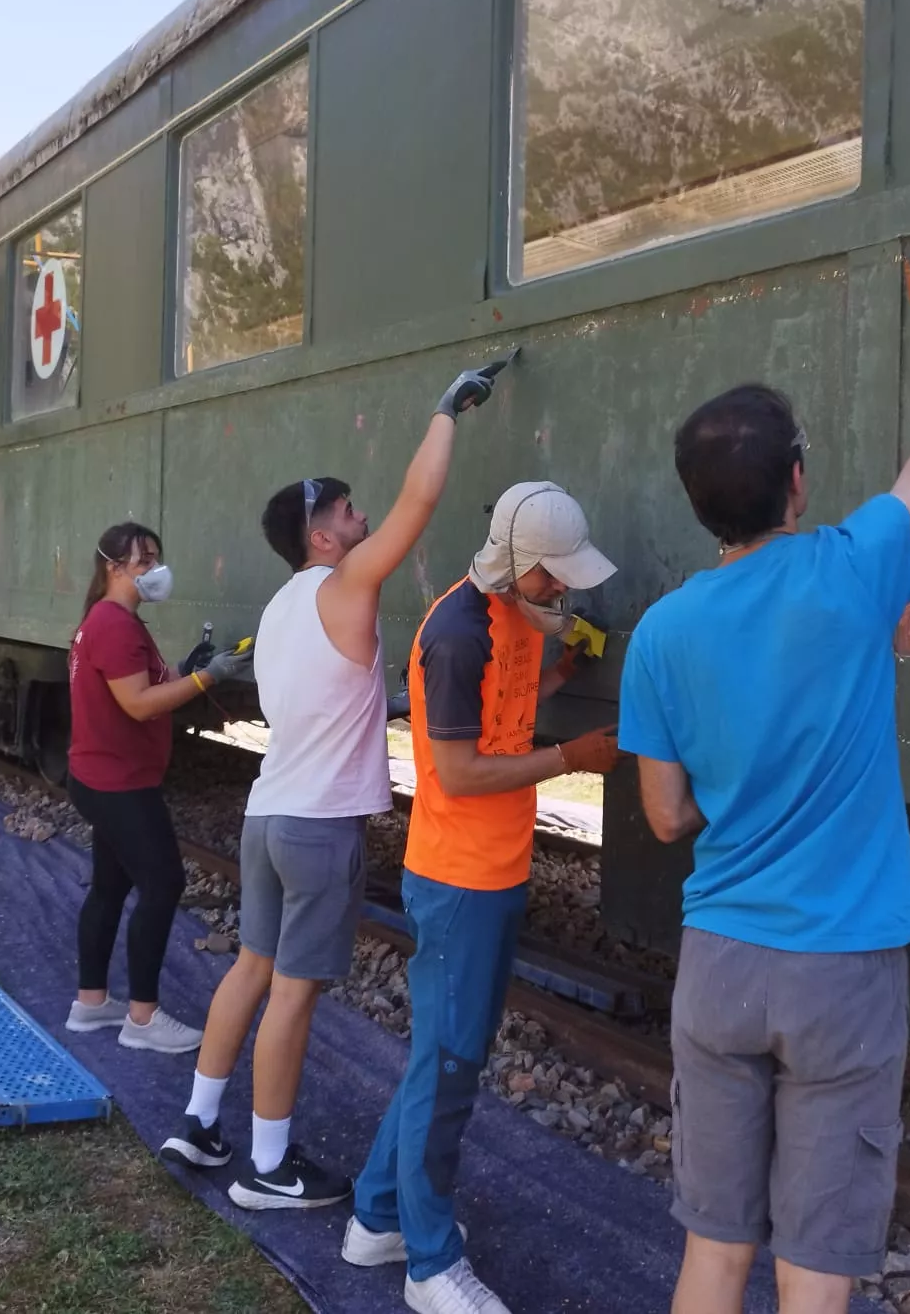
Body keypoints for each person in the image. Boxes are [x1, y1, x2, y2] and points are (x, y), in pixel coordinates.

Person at [618, 233, 910, 1314]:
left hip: (720, 964)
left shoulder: (661, 632)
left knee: (713, 1252)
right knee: (814, 1267)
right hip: (842, 968)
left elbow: (666, 816)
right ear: (798, 482)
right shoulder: (857, 564)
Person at [161, 355, 514, 1216]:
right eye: (347, 510)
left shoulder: (286, 607)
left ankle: (201, 1123)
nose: (361, 519)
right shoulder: (349, 583)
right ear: (323, 536)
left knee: (252, 966)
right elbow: (419, 507)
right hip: (319, 830)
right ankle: (269, 1165)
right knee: (294, 990)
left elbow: (329, 692)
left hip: (268, 813)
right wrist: (445, 412)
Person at [345, 481, 622, 1314]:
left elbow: (500, 716)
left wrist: (566, 665)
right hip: (458, 878)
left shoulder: (516, 622)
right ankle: (429, 1265)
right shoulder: (458, 633)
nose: (564, 592)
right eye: (553, 578)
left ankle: (375, 1215)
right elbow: (461, 771)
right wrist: (569, 757)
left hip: (495, 874)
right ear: (513, 561)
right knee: (452, 1067)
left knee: (442, 1056)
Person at [65, 521, 254, 1053]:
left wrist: (188, 668)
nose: (154, 569)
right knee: (164, 883)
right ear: (113, 567)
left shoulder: (112, 621)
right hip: (118, 782)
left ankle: (92, 1002)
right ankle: (143, 1019)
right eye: (143, 560)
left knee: (110, 886)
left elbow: (148, 681)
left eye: (155, 558)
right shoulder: (115, 625)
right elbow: (139, 704)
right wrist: (207, 678)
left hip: (102, 775)